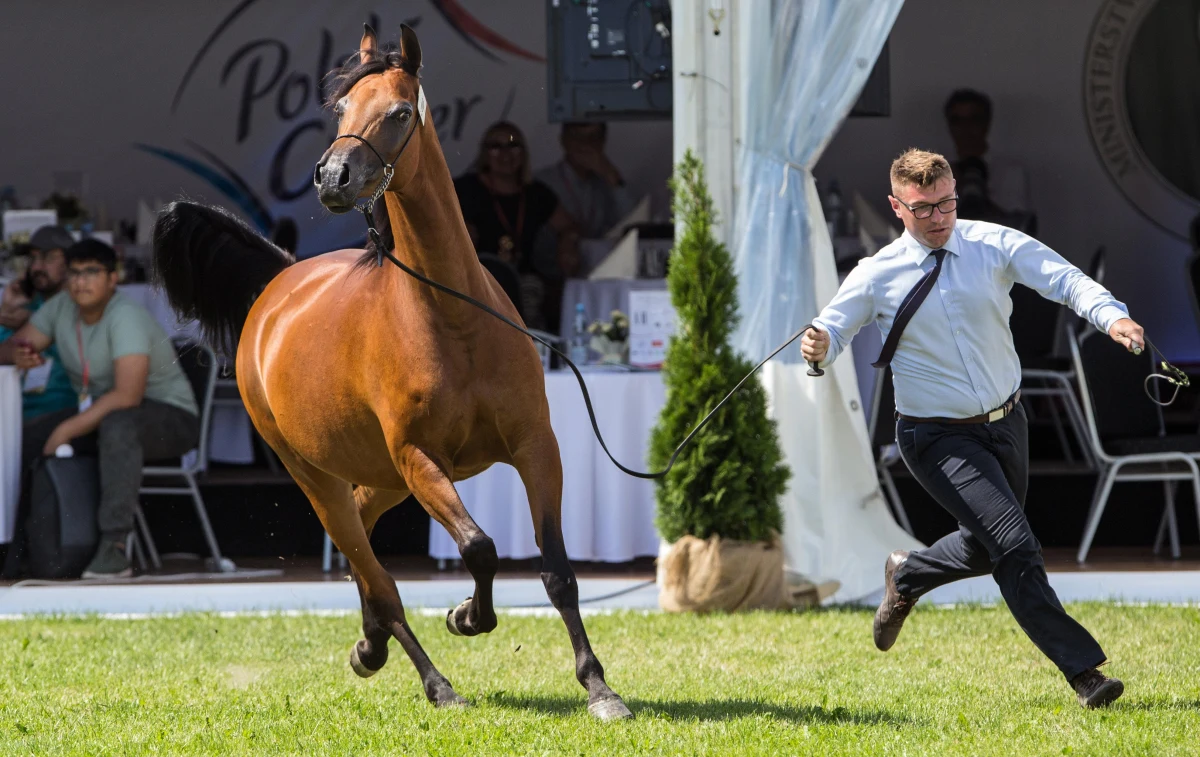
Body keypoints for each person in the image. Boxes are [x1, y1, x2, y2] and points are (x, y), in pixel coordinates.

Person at [801, 148, 1141, 710]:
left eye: (946, 203)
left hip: (1008, 424)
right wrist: (817, 350)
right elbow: (830, 334)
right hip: (934, 437)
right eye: (923, 208)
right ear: (896, 206)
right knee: (1013, 544)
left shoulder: (992, 243)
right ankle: (1084, 673)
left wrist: (1112, 316)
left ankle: (908, 574)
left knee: (989, 546)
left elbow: (1063, 279)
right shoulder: (876, 272)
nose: (938, 218)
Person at [0, 239, 200, 579]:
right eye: (75, 273)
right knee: (31, 434)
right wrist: (15, 354)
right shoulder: (62, 307)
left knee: (116, 427)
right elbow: (9, 347)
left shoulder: (126, 316)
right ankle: (17, 550)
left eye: (92, 272)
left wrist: (66, 431)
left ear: (112, 278)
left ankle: (114, 549)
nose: (81, 282)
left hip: (171, 418)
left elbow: (127, 396)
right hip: (111, 414)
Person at [454, 121, 581, 332]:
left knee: (531, 292)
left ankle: (526, 351)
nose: (505, 154)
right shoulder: (465, 189)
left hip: (523, 276)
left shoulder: (536, 193)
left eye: (513, 145)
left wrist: (568, 242)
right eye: (496, 146)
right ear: (485, 153)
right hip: (476, 274)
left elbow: (571, 226)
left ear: (523, 153)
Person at [0, 225, 78, 419]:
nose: (36, 267)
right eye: (33, 258)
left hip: (61, 413)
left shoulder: (81, 305)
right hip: (14, 412)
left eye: (48, 258)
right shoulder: (26, 305)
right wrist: (5, 311)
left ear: (71, 263)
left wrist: (30, 322)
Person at [534, 121, 636, 240]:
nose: (586, 143)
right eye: (577, 137)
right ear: (563, 140)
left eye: (594, 137)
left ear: (603, 142)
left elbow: (632, 225)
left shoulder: (608, 183)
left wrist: (613, 177)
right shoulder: (541, 182)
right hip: (552, 257)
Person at [944, 89, 1031, 217]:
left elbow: (1020, 225)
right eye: (957, 120)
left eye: (974, 119)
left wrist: (976, 195)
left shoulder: (1011, 172)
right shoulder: (938, 171)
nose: (965, 127)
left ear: (986, 123)